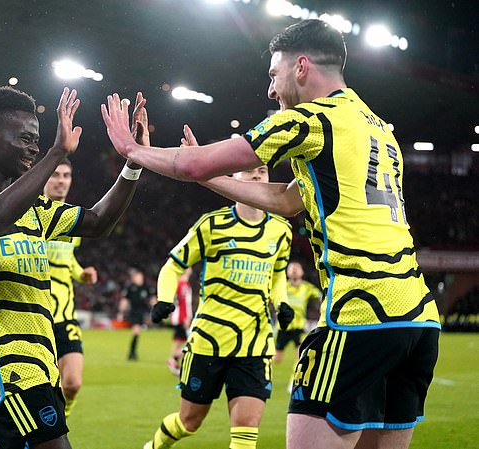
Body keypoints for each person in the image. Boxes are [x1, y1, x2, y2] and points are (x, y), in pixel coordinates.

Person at [102, 19, 440, 449]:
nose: (270, 89)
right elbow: (288, 200)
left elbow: (193, 165)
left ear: (301, 67)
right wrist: (206, 178)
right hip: (418, 319)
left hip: (360, 313)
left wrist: (133, 151)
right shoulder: (375, 126)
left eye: (273, 74)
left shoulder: (309, 119)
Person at [0, 86, 148, 449]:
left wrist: (133, 163)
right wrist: (57, 152)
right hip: (3, 365)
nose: (34, 147)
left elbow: (97, 222)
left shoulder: (36, 210)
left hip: (41, 361)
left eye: (37, 140)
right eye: (26, 138)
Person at [144, 164, 293, 449]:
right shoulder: (211, 225)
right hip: (208, 342)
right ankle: (153, 446)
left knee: (247, 429)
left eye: (262, 170)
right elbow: (173, 265)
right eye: (248, 170)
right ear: (233, 179)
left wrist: (282, 302)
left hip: (255, 343)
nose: (257, 175)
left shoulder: (280, 230)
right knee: (189, 422)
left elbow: (277, 275)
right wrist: (165, 298)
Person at [43, 158, 99, 417]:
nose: (61, 180)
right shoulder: (28, 216)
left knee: (73, 383)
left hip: (65, 318)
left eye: (66, 175)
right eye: (55, 175)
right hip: (35, 321)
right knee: (41, 390)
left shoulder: (71, 220)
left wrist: (81, 274)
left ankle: (60, 423)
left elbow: (67, 259)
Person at [275, 261, 321, 364]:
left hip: (299, 326)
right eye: (291, 268)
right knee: (277, 358)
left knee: (301, 354)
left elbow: (320, 296)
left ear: (302, 272)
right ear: (287, 272)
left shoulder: (307, 287)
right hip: (283, 326)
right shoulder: (283, 287)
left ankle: (296, 376)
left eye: (297, 268)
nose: (294, 270)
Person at [119, 267, 155, 361]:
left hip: (143, 312)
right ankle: (132, 352)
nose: (139, 278)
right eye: (137, 277)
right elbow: (125, 300)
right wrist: (121, 312)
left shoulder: (146, 287)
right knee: (136, 330)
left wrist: (156, 307)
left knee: (137, 332)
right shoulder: (130, 287)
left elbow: (152, 299)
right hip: (134, 312)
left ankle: (132, 352)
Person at [165, 266, 192, 376]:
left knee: (178, 342)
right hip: (182, 317)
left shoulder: (179, 283)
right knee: (189, 343)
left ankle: (175, 363)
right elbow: (184, 303)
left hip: (177, 317)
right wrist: (186, 317)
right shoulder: (183, 284)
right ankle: (173, 360)